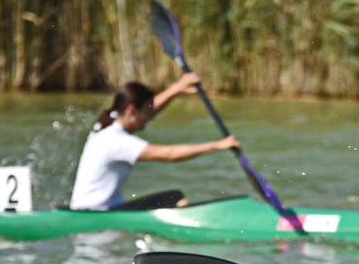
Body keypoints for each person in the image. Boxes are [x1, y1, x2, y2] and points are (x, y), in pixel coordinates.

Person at [69, 73, 240, 211]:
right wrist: (219, 145)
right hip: (97, 212)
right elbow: (169, 154)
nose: (150, 118)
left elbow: (150, 108)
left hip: (93, 208)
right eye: (147, 112)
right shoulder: (117, 142)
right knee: (174, 197)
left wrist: (177, 89)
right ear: (131, 109)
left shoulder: (108, 121)